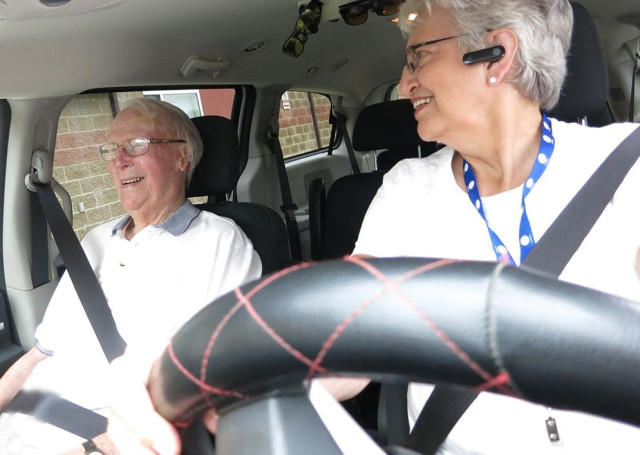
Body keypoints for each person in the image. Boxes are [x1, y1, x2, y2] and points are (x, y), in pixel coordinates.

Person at [106, 1, 640, 454]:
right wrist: (207, 362)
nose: (405, 83)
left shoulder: (627, 166)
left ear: (497, 54)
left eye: (418, 57)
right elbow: (342, 337)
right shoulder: (408, 188)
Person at [0, 97, 262, 455]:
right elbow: (40, 353)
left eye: (136, 145)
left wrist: (95, 449)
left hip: (108, 436)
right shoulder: (94, 240)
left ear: (182, 156)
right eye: (111, 150)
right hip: (23, 418)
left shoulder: (220, 240)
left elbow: (214, 372)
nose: (119, 160)